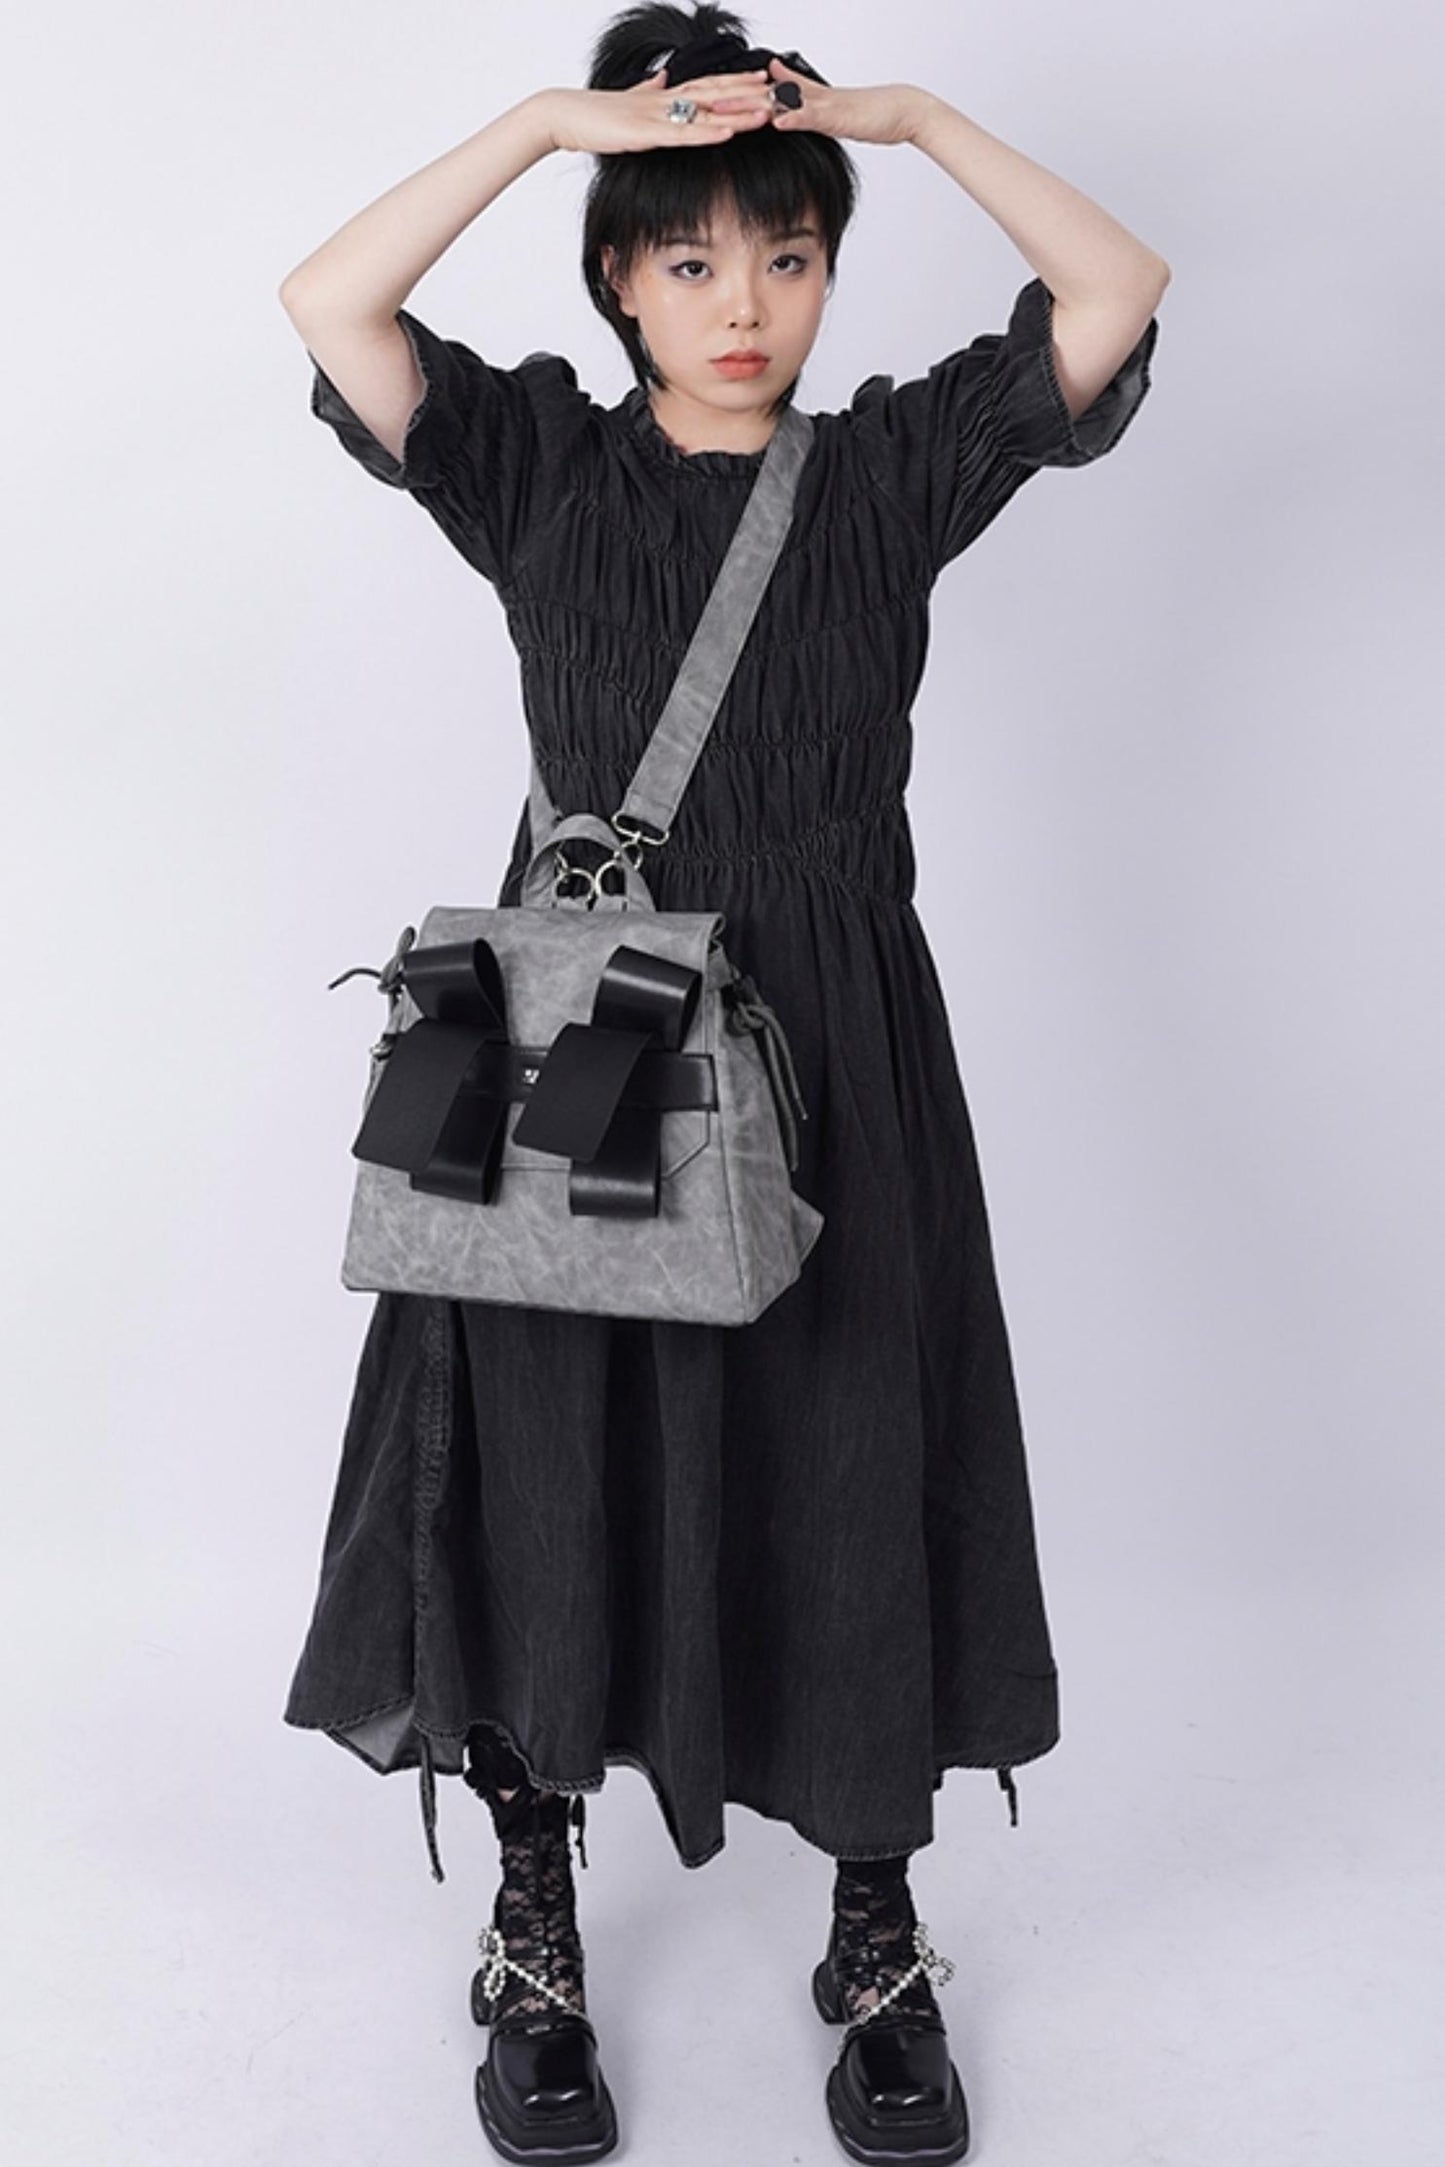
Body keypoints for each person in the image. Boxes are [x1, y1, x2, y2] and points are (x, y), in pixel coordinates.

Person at [278, 5, 1167, 2161]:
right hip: (577, 1047)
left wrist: (907, 117)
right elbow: (332, 302)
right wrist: (550, 125)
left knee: (847, 1455)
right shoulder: (537, 469)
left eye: (787, 252)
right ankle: (534, 1923)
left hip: (831, 1053)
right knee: (548, 1464)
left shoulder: (884, 476)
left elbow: (1115, 288)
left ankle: (871, 1931)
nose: (743, 301)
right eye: (688, 260)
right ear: (618, 278)